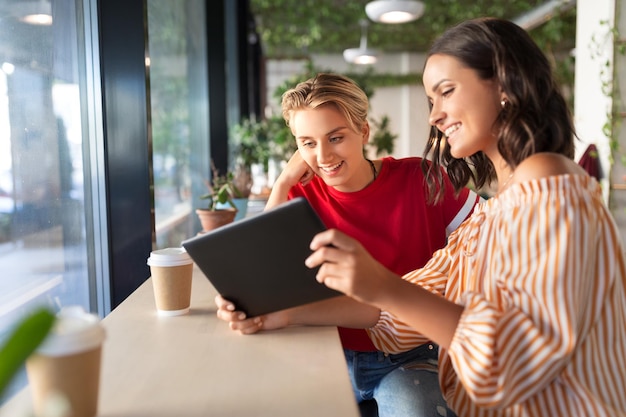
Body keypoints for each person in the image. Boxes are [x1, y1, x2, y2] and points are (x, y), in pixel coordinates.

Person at [305, 18, 626, 416]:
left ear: (505, 85)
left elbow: (512, 363)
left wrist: (383, 285)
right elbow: (399, 315)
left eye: (447, 92)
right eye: (431, 100)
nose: (434, 116)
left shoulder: (549, 187)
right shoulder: (492, 213)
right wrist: (280, 314)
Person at [216, 73, 482, 416]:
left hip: (411, 357)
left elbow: (489, 239)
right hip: (326, 350)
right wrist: (283, 182)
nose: (324, 155)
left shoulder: (422, 179)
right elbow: (257, 278)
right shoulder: (298, 197)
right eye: (307, 143)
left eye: (336, 137)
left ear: (364, 132)